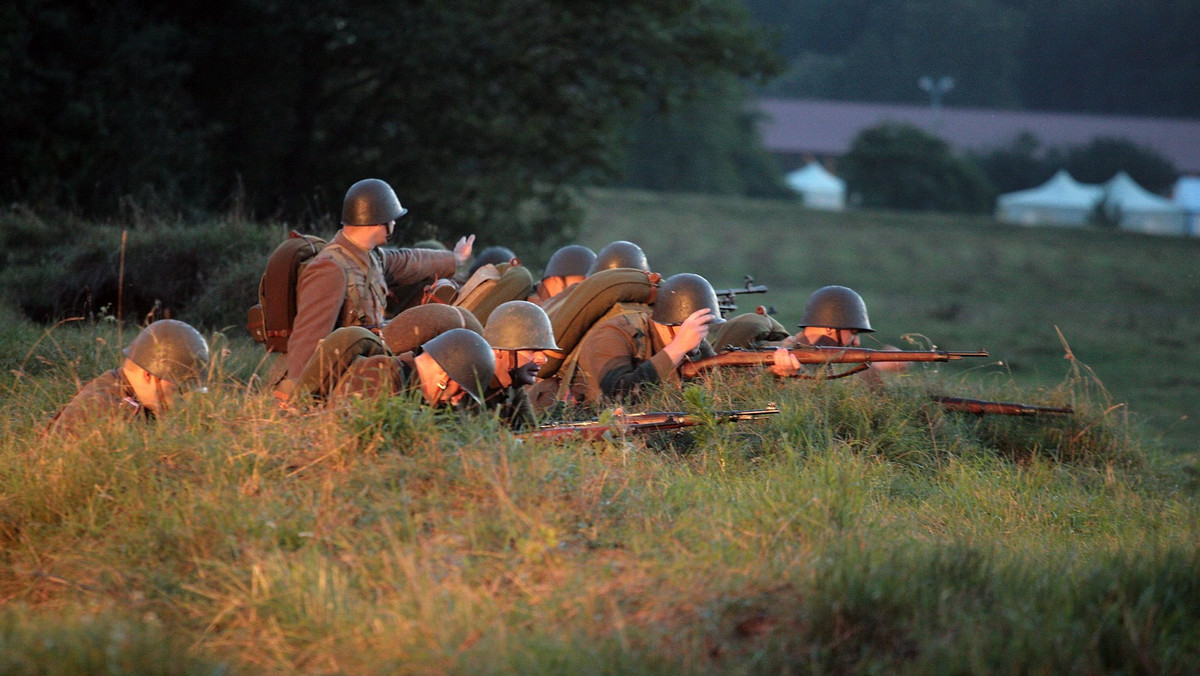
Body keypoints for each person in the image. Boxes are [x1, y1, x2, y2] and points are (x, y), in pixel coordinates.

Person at [277, 178, 474, 401]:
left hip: (369, 353)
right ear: (380, 221)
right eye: (392, 219)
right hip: (346, 365)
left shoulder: (370, 256)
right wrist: (298, 392)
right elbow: (308, 336)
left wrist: (455, 259)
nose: (395, 224)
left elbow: (409, 261)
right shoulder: (330, 267)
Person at [569, 273, 723, 404]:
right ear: (671, 322)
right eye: (693, 326)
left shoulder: (695, 345)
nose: (700, 334)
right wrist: (677, 349)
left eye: (705, 326)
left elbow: (721, 386)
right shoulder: (613, 334)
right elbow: (620, 396)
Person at [50, 320, 210, 435]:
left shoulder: (120, 389)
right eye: (180, 389)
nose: (184, 398)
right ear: (149, 375)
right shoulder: (108, 409)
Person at [299, 327, 495, 409]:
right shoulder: (382, 375)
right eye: (460, 390)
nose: (456, 401)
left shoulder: (407, 386)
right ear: (444, 374)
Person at [769, 285, 899, 384]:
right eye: (853, 332)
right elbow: (827, 393)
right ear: (829, 328)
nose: (856, 342)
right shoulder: (786, 356)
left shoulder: (817, 356)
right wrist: (877, 367)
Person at [480, 301, 561, 429]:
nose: (543, 359)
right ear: (499, 350)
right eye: (531, 350)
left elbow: (531, 434)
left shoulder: (513, 387)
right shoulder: (471, 387)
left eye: (542, 351)